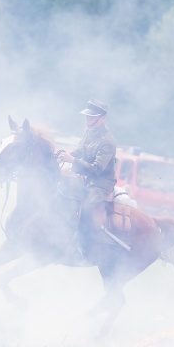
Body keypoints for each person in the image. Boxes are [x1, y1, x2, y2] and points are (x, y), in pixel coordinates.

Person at [57, 97, 117, 256]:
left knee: (87, 207)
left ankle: (81, 247)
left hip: (100, 183)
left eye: (91, 116)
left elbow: (97, 169)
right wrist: (69, 154)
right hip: (85, 177)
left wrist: (73, 161)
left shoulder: (108, 142)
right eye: (87, 115)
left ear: (101, 118)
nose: (87, 118)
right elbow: (80, 150)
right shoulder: (88, 131)